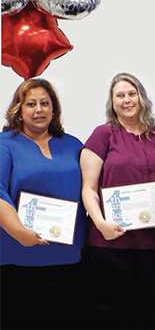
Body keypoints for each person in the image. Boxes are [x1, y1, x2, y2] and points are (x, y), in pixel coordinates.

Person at [80, 73, 155, 330]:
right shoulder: (102, 136)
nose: (127, 100)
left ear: (142, 97)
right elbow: (89, 189)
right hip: (111, 242)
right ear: (112, 102)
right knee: (114, 317)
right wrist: (100, 223)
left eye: (131, 94)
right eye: (120, 95)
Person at [0, 78, 87, 327]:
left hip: (69, 260)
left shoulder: (73, 144)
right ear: (18, 109)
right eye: (31, 104)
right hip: (19, 259)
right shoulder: (4, 143)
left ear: (54, 109)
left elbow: (93, 187)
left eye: (45, 103)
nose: (39, 109)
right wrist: (20, 233)